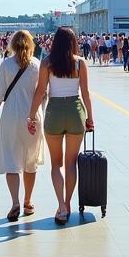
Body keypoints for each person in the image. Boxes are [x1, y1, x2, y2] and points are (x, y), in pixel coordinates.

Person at [27, 26, 94, 224]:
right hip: (75, 110)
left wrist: (31, 116)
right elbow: (86, 93)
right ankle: (67, 202)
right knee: (71, 162)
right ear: (73, 42)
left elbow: (40, 91)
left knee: (57, 164)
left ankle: (61, 207)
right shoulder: (80, 63)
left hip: (54, 112)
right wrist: (90, 117)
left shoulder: (47, 63)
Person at [0, 30, 45, 221]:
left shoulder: (6, 64)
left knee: (12, 160)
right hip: (32, 117)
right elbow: (42, 93)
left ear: (12, 44)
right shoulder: (37, 65)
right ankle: (28, 201)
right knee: (30, 161)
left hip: (11, 116)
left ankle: (15, 202)